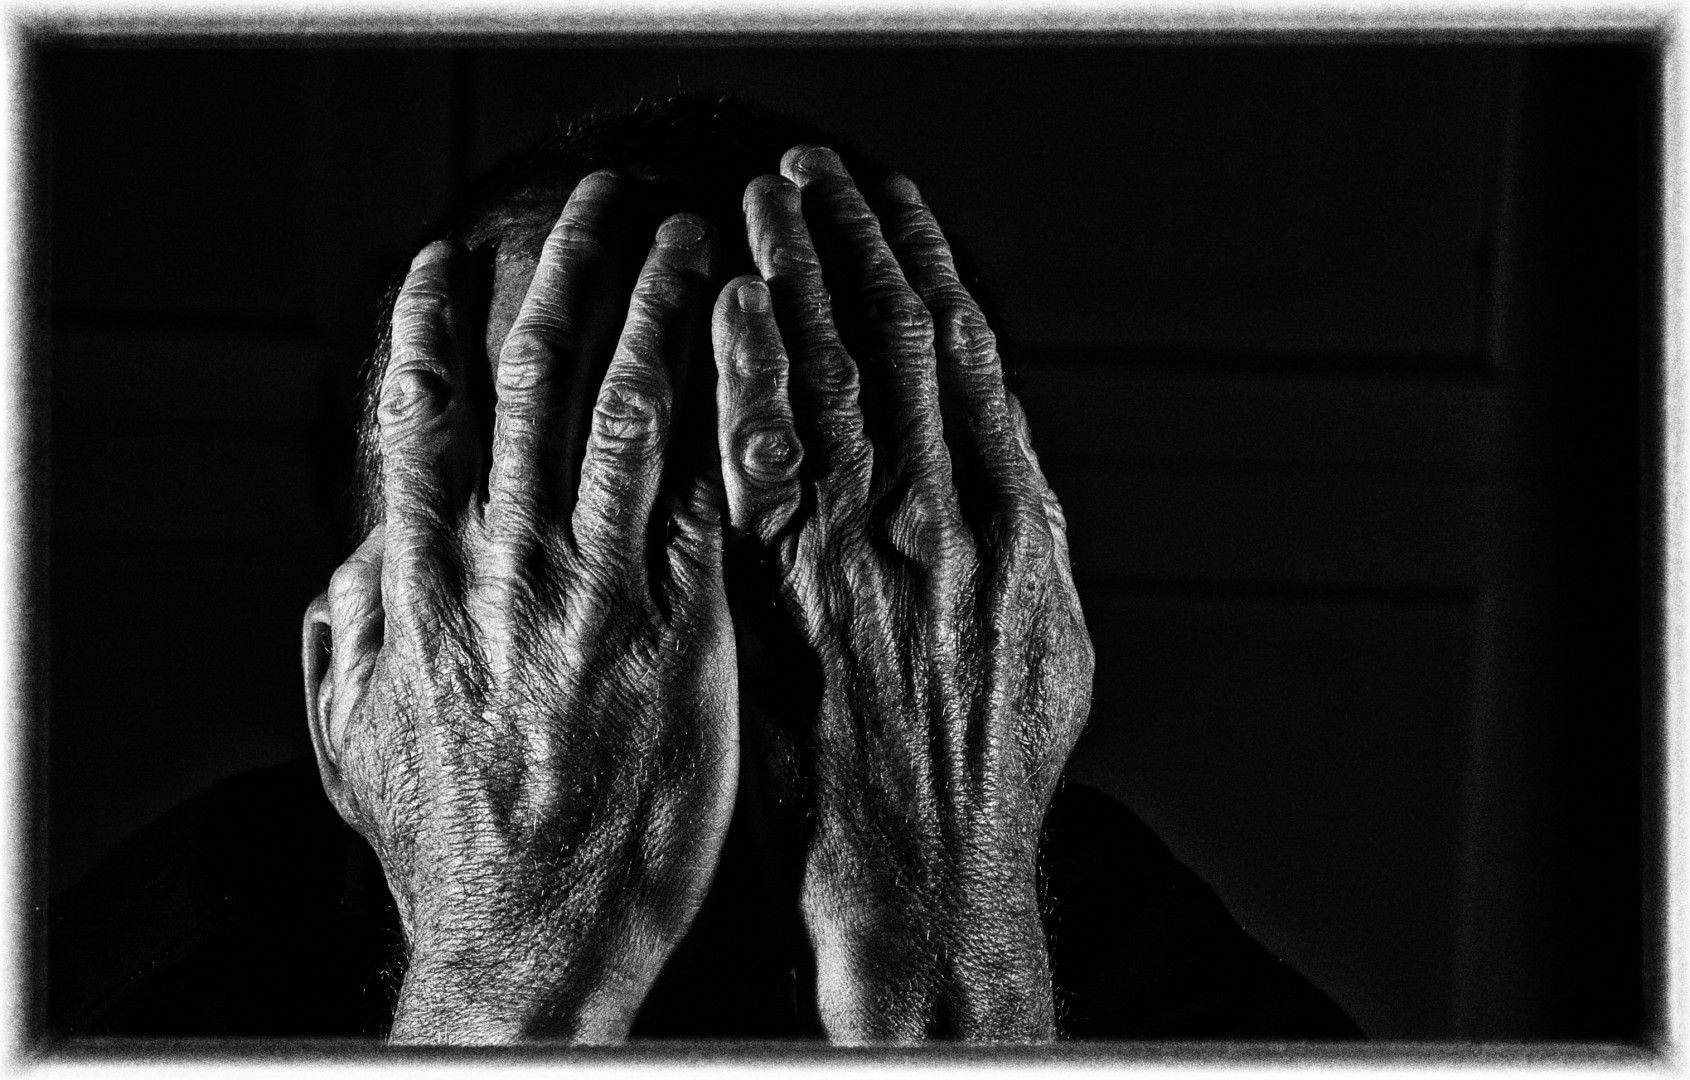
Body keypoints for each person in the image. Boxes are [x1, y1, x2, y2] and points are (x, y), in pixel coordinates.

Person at [47, 94, 1361, 1045]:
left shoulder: (1142, 959)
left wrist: (950, 965)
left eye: (808, 543)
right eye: (554, 544)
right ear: (347, 679)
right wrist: (509, 979)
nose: (674, 659)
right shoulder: (163, 968)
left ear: (1007, 630)